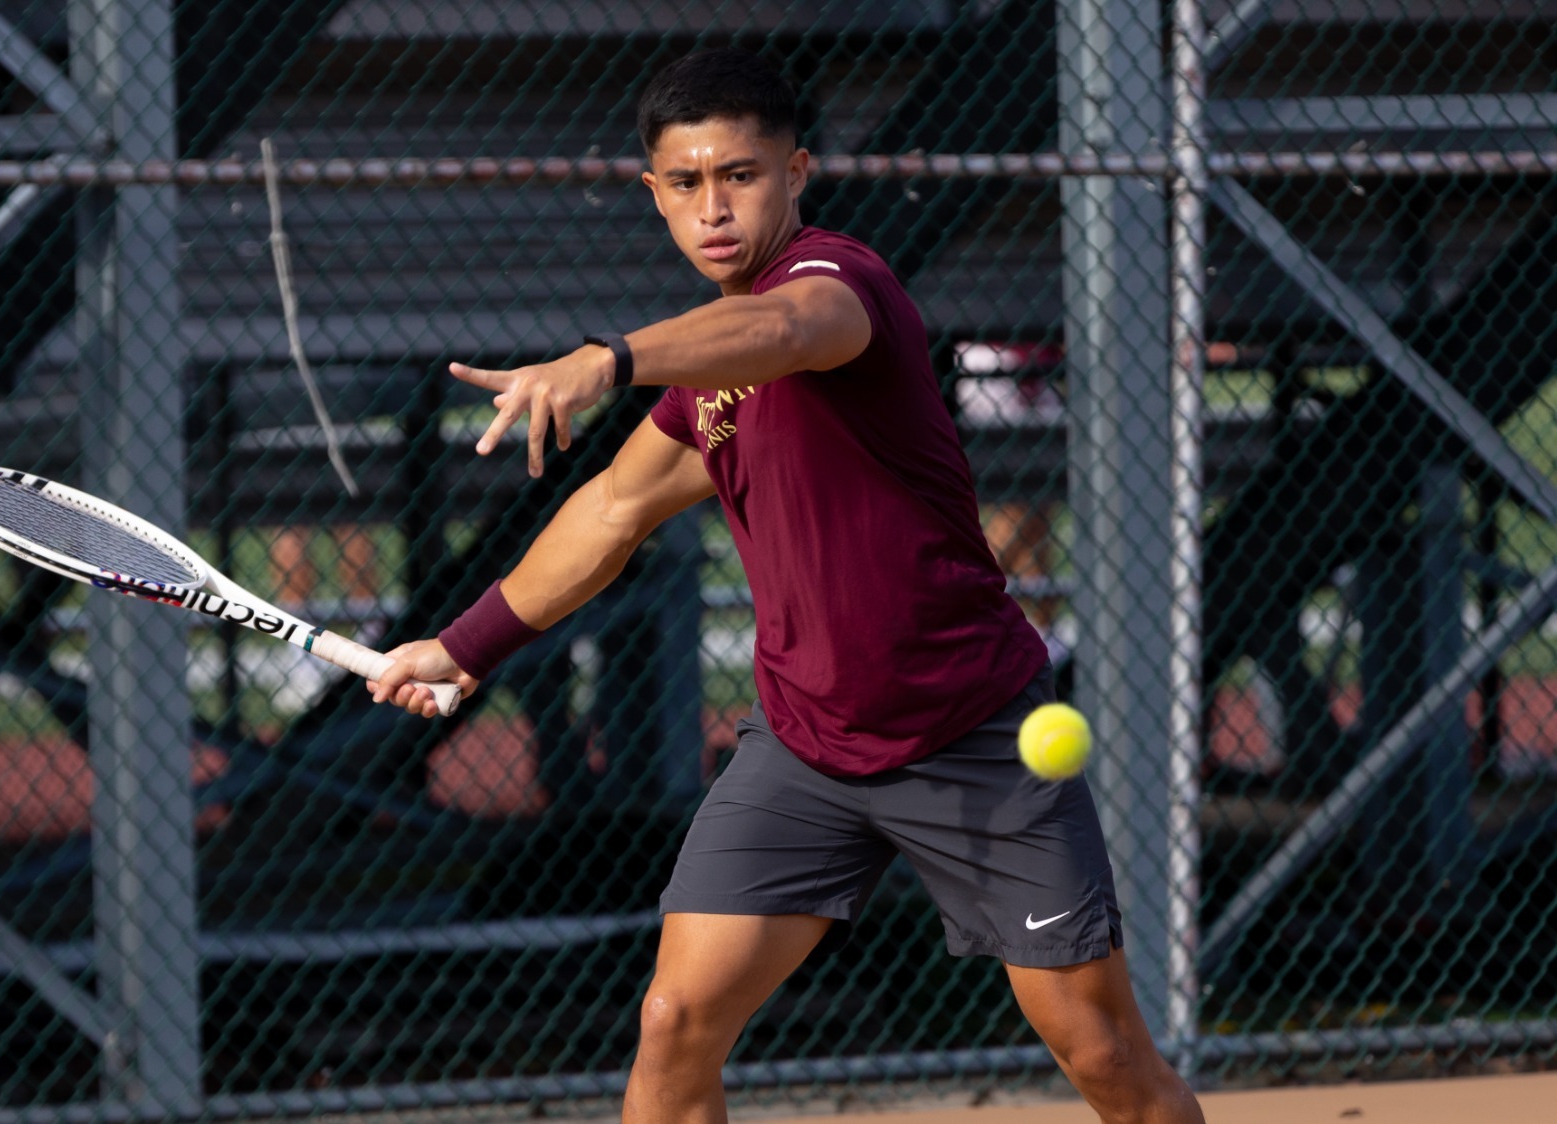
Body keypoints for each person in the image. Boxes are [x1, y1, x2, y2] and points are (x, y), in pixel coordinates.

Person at [366, 48, 1205, 1124]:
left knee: (1103, 1057)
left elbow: (778, 329)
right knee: (674, 1020)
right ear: (653, 193)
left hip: (968, 737)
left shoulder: (836, 284)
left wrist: (606, 359)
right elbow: (611, 510)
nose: (712, 206)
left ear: (796, 173)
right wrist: (463, 644)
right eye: (685, 182)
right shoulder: (704, 384)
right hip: (803, 750)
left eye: (740, 175)